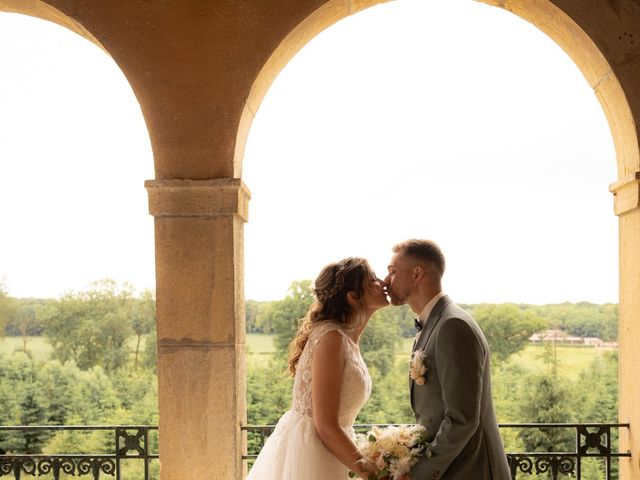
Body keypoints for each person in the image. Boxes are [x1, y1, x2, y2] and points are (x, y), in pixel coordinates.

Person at [246, 257, 389, 479]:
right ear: (353, 296)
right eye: (373, 280)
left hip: (334, 451)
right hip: (314, 455)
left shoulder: (346, 339)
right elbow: (325, 426)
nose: (383, 282)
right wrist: (376, 474)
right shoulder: (331, 337)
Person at [384, 239, 511, 480]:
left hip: (471, 470)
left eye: (392, 272)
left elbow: (462, 419)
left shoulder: (452, 325)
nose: (385, 281)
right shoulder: (433, 323)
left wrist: (417, 473)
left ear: (417, 274)